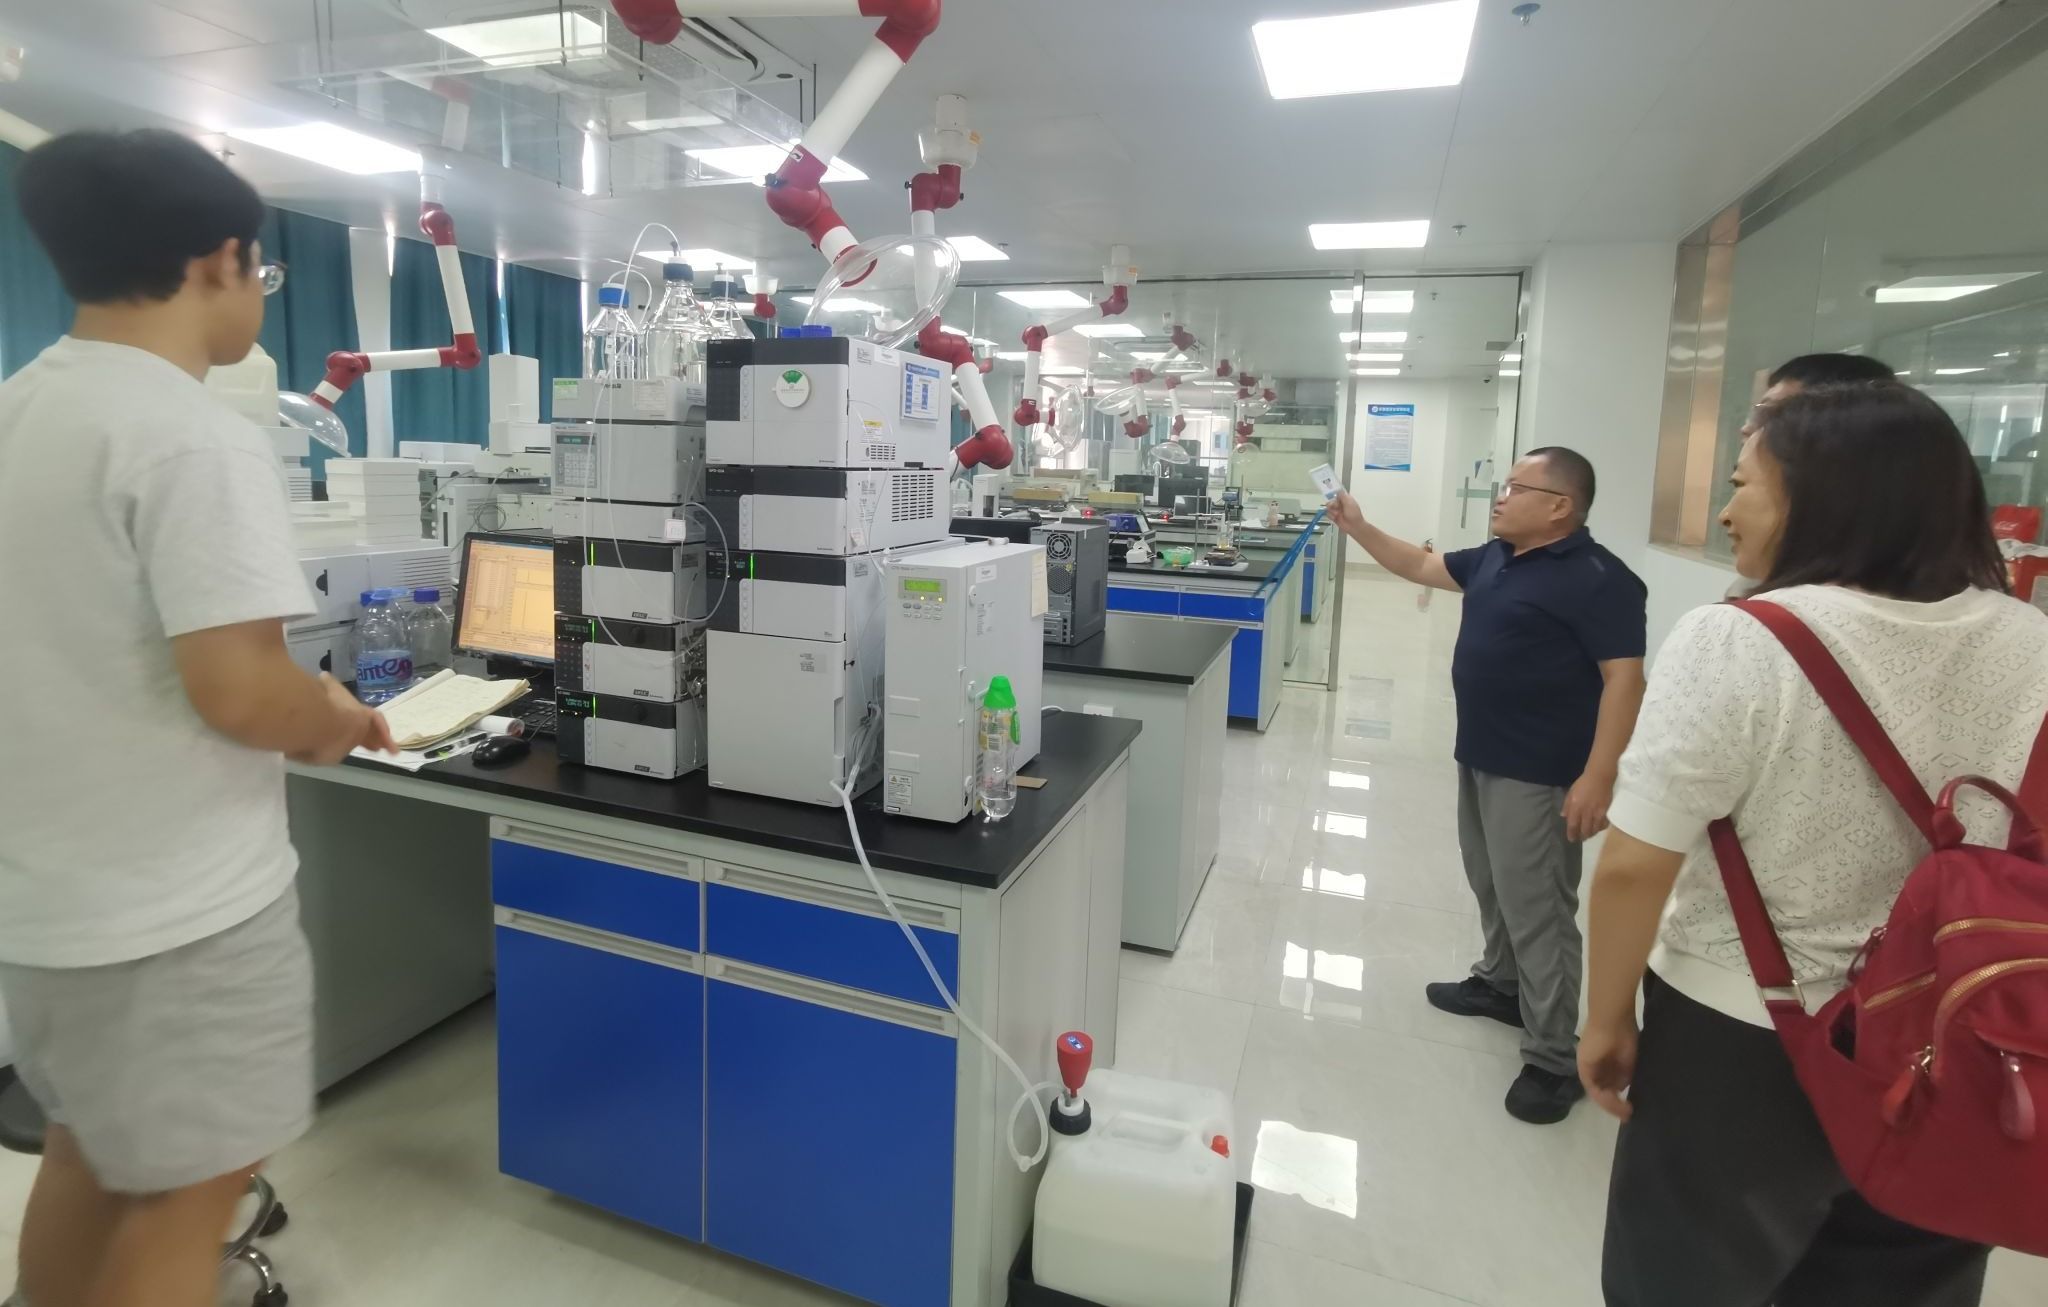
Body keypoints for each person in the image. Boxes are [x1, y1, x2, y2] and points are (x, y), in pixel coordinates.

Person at [0, 130, 393, 1307]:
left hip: (47, 906)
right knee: (187, 1196)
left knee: (88, 1153)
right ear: (219, 260)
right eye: (261, 270)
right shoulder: (192, 434)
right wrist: (337, 715)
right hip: (178, 915)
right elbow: (242, 691)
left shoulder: (23, 409)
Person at [1579, 381, 2046, 1307]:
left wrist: (1606, 1018)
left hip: (1746, 1039)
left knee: (1684, 1281)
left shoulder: (1740, 637)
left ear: (1825, 495)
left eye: (1743, 483)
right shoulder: (2032, 638)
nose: (1724, 511)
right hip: (1956, 1035)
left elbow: (1634, 862)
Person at [1328, 447, 1647, 1123]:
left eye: (1516, 487)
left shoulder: (1600, 579)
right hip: (1481, 752)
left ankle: (1554, 1057)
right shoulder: (1497, 557)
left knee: (1539, 907)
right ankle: (1503, 985)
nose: (1500, 497)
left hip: (1540, 769)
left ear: (1560, 506)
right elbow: (1419, 564)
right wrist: (1357, 526)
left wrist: (1599, 775)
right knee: (1491, 882)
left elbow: (1624, 679)